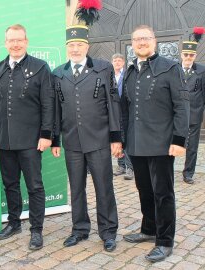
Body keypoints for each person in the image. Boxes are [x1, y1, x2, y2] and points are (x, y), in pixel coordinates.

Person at [51, 15, 122, 252]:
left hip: (99, 140)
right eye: (71, 45)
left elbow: (113, 103)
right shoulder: (58, 73)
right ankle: (79, 229)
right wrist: (54, 139)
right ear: (67, 48)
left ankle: (108, 231)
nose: (75, 48)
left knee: (104, 187)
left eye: (79, 44)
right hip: (71, 141)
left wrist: (115, 137)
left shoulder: (103, 68)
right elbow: (56, 109)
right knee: (76, 188)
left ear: (87, 46)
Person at [121, 25, 189, 263]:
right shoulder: (129, 71)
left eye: (146, 38)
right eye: (137, 39)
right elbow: (124, 109)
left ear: (154, 41)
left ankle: (165, 240)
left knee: (163, 194)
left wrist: (179, 140)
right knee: (144, 190)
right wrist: (123, 140)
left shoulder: (170, 68)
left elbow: (182, 105)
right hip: (137, 143)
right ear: (132, 43)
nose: (142, 42)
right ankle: (149, 229)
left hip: (162, 144)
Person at [0, 24, 54, 250]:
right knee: (10, 184)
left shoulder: (40, 67)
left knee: (34, 186)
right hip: (5, 140)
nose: (15, 44)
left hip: (32, 141)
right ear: (5, 43)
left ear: (26, 41)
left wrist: (46, 134)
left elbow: (48, 104)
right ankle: (14, 223)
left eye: (19, 40)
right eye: (11, 40)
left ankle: (36, 230)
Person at [181, 27, 205, 185]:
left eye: (191, 55)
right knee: (170, 143)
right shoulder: (173, 69)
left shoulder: (202, 71)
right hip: (175, 115)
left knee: (192, 146)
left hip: (194, 115)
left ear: (195, 55)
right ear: (181, 55)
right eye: (186, 54)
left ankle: (188, 173)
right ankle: (166, 170)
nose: (189, 57)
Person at [112, 53, 134, 180]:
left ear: (123, 63)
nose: (118, 62)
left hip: (125, 112)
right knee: (117, 138)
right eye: (115, 61)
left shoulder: (127, 75)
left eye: (120, 60)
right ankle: (121, 166)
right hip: (113, 113)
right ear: (112, 62)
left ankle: (130, 168)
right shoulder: (109, 76)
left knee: (127, 139)